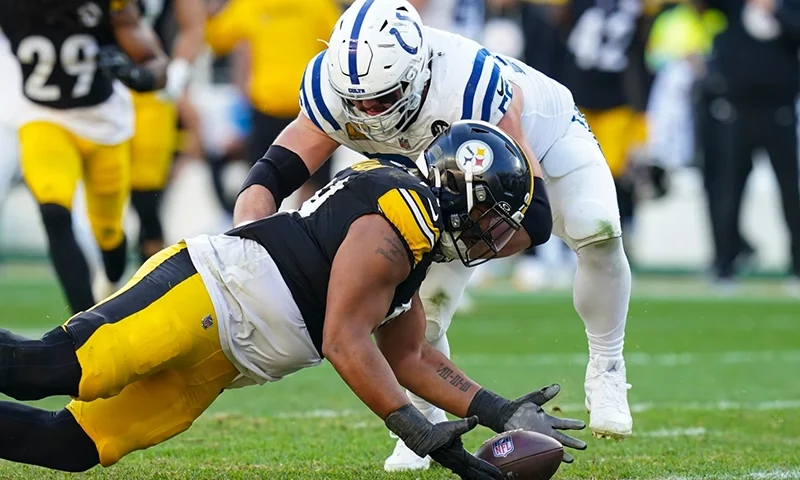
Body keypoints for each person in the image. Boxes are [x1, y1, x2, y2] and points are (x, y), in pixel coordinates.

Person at [0, 121, 587, 478]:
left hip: (224, 360)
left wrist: (499, 411)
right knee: (52, 369)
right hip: (205, 295)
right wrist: (413, 427)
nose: (495, 237)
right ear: (463, 192)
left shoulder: (415, 237)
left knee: (74, 444)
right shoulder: (399, 219)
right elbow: (343, 340)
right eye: (493, 217)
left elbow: (411, 357)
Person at [232, 0, 633, 470]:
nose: (368, 112)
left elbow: (534, 220)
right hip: (440, 181)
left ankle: (607, 365)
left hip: (541, 145)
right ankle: (422, 422)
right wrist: (249, 246)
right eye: (358, 101)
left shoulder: (469, 85)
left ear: (418, 72)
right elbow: (270, 176)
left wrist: (445, 246)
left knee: (595, 227)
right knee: (424, 311)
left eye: (382, 99)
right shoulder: (334, 88)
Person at [0, 0, 168, 314]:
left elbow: (156, 63)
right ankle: (85, 325)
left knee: (108, 233)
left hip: (103, 124)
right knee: (53, 209)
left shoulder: (110, 5)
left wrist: (136, 75)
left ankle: (111, 277)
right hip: (42, 116)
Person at [205, 0, 341, 204]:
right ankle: (306, 224)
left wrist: (210, 11)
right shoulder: (319, 4)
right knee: (314, 185)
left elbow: (216, 38)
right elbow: (339, 40)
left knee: (262, 181)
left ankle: (259, 220)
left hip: (269, 104)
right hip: (309, 104)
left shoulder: (250, 5)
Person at [128, 0, 206, 265]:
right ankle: (111, 265)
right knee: (106, 192)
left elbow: (193, 27)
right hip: (103, 90)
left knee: (147, 196)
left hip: (153, 90)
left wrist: (177, 74)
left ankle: (149, 274)